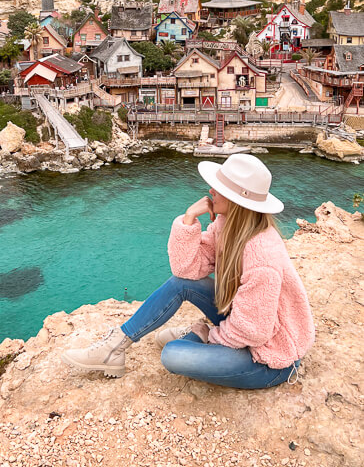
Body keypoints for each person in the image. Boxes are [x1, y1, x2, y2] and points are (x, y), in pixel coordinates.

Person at [62, 154, 315, 389]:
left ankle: (198, 334)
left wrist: (211, 334)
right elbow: (187, 270)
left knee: (172, 354)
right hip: (244, 323)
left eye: (220, 189)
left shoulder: (263, 256)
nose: (211, 191)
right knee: (179, 283)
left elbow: (255, 331)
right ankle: (114, 346)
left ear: (237, 201)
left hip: (270, 358)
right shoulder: (227, 226)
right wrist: (189, 219)